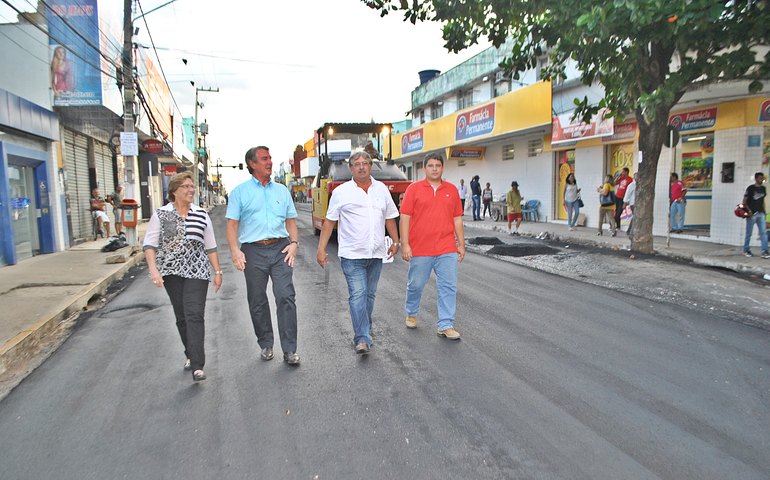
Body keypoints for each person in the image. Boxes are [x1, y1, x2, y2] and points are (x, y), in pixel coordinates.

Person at [316, 152, 400, 355]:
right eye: (357, 164)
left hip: (376, 253)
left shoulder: (381, 190)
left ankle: (365, 328)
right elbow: (330, 222)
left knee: (369, 295)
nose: (361, 167)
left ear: (371, 166)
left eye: (365, 164)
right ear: (351, 168)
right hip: (352, 255)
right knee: (358, 295)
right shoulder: (341, 192)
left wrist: (396, 241)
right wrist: (321, 248)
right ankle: (362, 337)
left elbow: (390, 217)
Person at [143, 172, 223, 382]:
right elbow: (149, 245)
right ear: (174, 191)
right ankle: (189, 352)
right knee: (182, 317)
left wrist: (217, 271)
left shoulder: (201, 214)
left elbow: (211, 246)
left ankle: (198, 365)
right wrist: (154, 270)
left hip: (197, 272)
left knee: (195, 314)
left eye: (192, 186)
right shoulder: (161, 214)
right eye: (186, 187)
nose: (191, 190)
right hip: (171, 272)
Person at [226, 146, 301, 366]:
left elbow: (291, 222)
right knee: (257, 299)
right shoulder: (240, 192)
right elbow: (232, 225)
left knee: (285, 295)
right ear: (252, 164)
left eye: (270, 158)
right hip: (253, 251)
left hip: (281, 249)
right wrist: (234, 250)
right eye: (264, 159)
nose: (269, 162)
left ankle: (289, 350)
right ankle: (266, 343)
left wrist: (294, 243)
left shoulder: (282, 191)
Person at [400, 153, 465, 340]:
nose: (434, 168)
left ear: (442, 168)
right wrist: (405, 244)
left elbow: (457, 219)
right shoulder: (414, 189)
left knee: (448, 286)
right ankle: (411, 312)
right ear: (424, 168)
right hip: (420, 249)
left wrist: (461, 244)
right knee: (416, 285)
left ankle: (445, 324)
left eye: (438, 165)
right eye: (430, 165)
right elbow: (405, 217)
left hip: (447, 248)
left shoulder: (451, 190)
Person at [742, 172, 769, 258]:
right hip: (751, 214)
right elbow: (744, 202)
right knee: (749, 233)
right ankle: (746, 250)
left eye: (762, 178)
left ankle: (764, 251)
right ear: (756, 178)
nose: (761, 180)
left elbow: (762, 201)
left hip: (761, 213)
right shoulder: (750, 188)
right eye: (760, 178)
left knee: (763, 233)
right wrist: (749, 212)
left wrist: (764, 211)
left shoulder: (763, 189)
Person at [623, 171, 638, 239]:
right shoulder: (632, 185)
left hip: (638, 203)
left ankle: (631, 230)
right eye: (636, 176)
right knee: (635, 217)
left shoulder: (640, 185)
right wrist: (625, 203)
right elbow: (627, 194)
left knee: (636, 217)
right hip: (633, 203)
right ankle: (629, 230)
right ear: (634, 177)